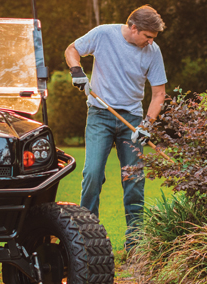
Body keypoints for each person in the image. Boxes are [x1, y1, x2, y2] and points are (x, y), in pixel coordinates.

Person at [65, 5, 167, 251]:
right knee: (92, 174)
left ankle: (135, 244)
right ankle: (87, 241)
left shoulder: (153, 51)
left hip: (132, 120)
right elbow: (72, 50)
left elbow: (159, 94)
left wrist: (146, 125)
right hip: (100, 114)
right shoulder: (103, 34)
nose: (151, 42)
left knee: (134, 178)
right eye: (148, 36)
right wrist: (77, 71)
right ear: (133, 27)